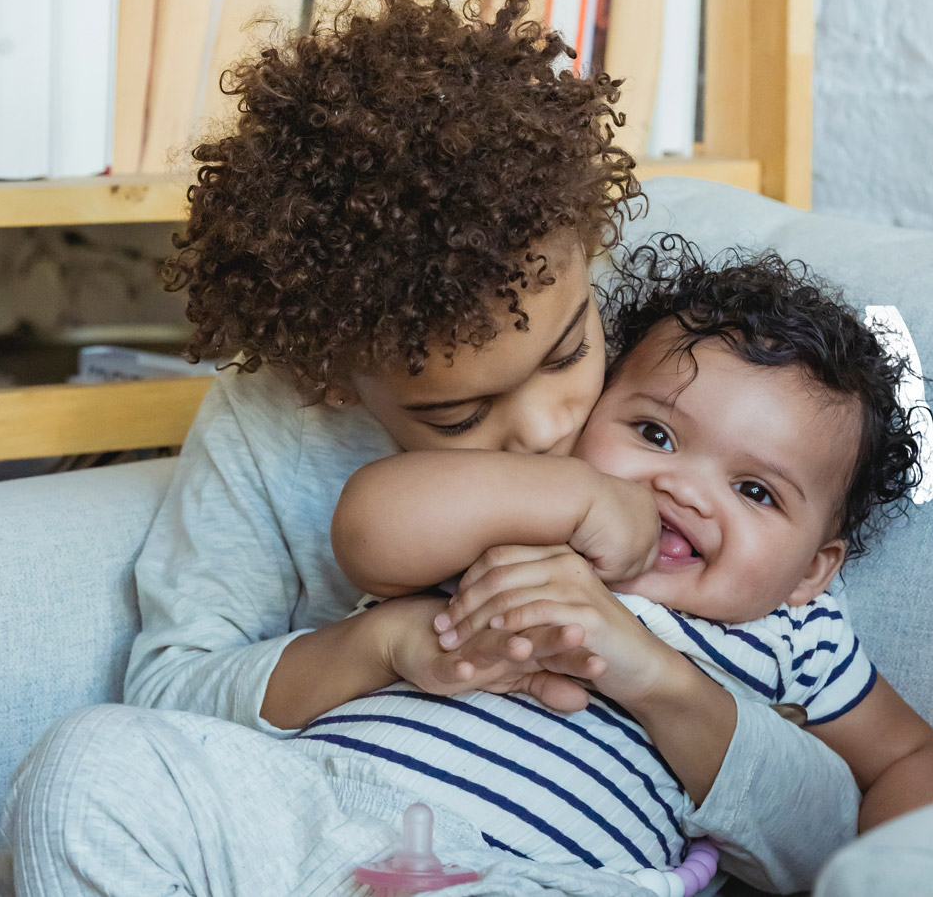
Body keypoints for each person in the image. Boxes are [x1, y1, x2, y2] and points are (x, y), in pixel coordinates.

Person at [4, 0, 860, 897]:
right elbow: (172, 696)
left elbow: (838, 804)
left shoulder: (664, 391)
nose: (545, 427)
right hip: (318, 816)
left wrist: (657, 676)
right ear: (330, 377)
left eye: (570, 353)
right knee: (82, 768)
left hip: (538, 864)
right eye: (458, 417)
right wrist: (388, 644)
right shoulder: (270, 422)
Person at [327, 243, 933, 881]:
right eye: (655, 434)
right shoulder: (526, 516)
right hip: (316, 799)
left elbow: (909, 756)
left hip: (533, 877)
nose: (683, 489)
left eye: (756, 491)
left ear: (811, 570)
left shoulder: (792, 636)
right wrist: (575, 499)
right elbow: (370, 529)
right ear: (591, 417)